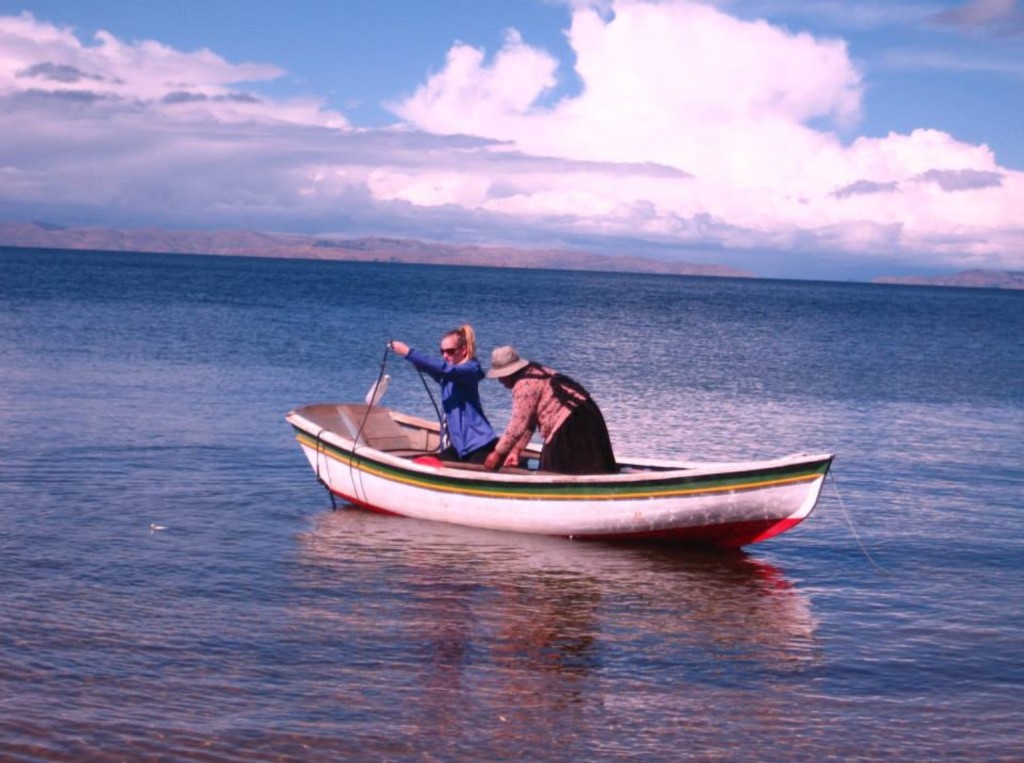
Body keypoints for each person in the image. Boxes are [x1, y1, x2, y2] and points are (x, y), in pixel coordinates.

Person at [483, 346, 617, 475]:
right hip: (588, 413)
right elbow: (529, 420)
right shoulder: (534, 370)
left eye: (501, 376)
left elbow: (518, 425)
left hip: (571, 422)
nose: (500, 380)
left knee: (553, 470)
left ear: (510, 373)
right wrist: (516, 450)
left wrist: (497, 453)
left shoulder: (523, 385)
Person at [389, 325, 498, 464]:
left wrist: (408, 352)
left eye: (450, 351)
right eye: (442, 352)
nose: (445, 356)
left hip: (480, 445)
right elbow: (441, 373)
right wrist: (422, 366)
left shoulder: (471, 370)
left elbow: (446, 371)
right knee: (424, 463)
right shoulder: (450, 377)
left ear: (463, 350)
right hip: (460, 446)